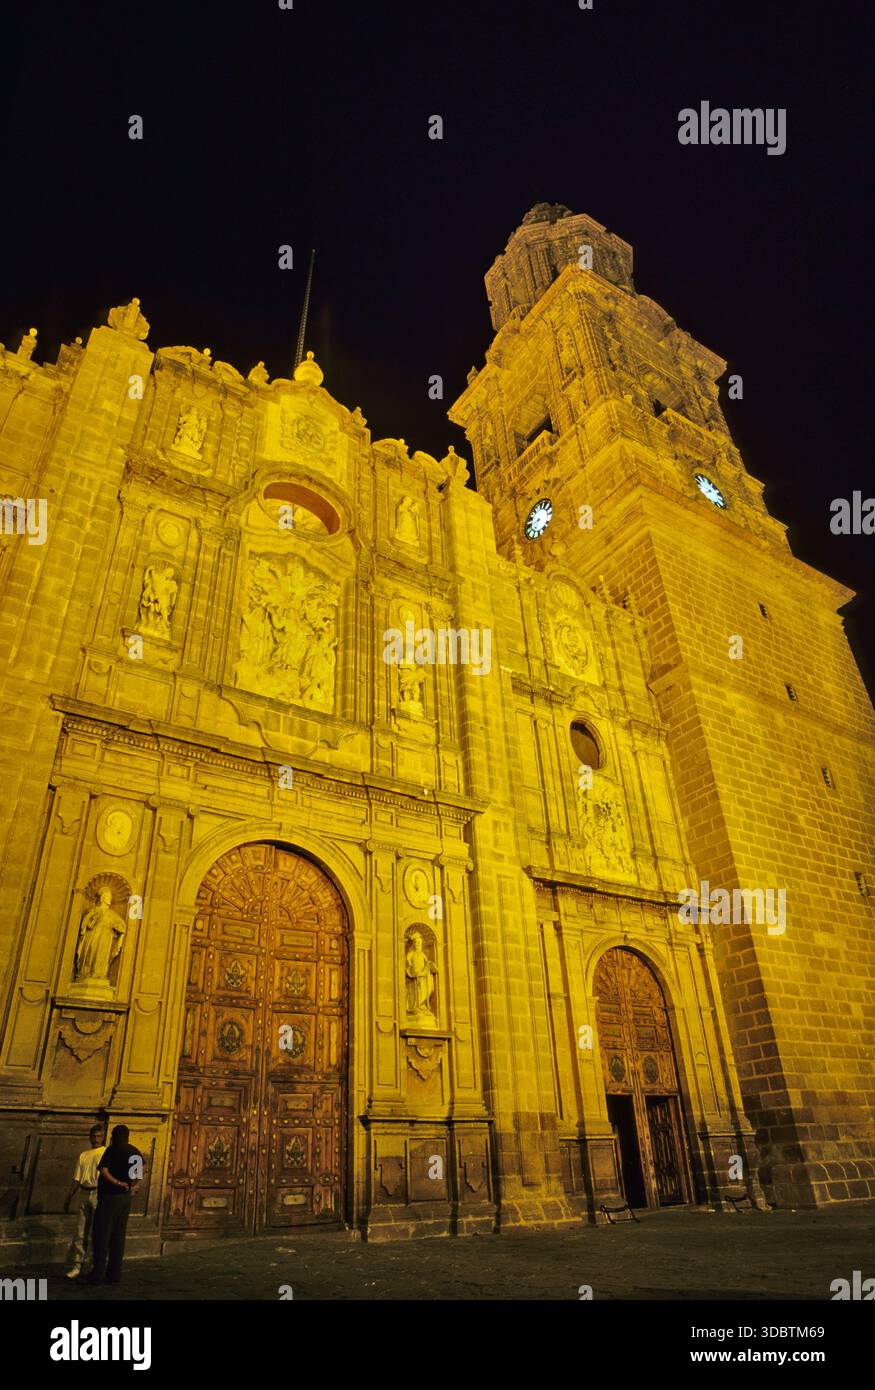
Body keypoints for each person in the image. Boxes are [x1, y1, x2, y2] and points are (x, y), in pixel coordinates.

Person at [87, 1125, 143, 1285]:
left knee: (102, 1235)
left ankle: (97, 1273)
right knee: (118, 1236)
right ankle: (114, 1273)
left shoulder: (112, 1150)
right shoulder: (134, 1151)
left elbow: (104, 1170)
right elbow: (140, 1172)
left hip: (110, 1196)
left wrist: (117, 1182)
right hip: (125, 1198)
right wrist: (130, 1185)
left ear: (114, 1136)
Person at [64, 1124, 105, 1278]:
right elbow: (77, 1177)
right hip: (84, 1192)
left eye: (98, 1136)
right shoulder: (84, 1155)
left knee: (97, 1231)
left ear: (103, 1137)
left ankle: (95, 1264)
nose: (95, 1139)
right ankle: (77, 1265)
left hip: (98, 1193)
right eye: (93, 1136)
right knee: (80, 1231)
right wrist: (69, 1195)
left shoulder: (106, 1153)